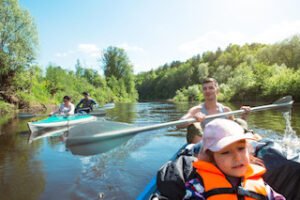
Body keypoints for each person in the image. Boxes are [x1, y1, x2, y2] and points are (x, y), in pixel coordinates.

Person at [184, 118, 285, 200]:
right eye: (225, 152)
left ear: (248, 149)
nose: (237, 158)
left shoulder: (263, 186)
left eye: (241, 148)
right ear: (212, 158)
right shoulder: (197, 188)